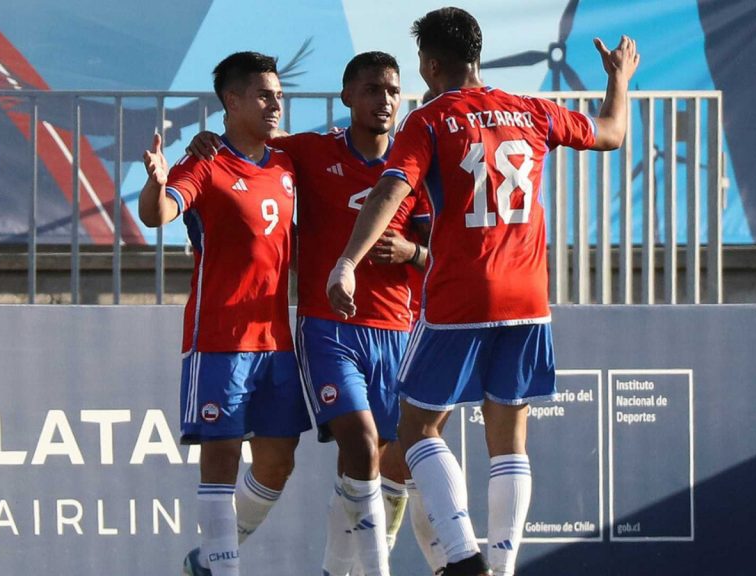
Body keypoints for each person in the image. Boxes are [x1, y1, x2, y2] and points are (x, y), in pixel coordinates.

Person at [326, 7, 639, 576]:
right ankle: (502, 564)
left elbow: (390, 193)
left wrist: (347, 260)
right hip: (529, 297)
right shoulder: (531, 110)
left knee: (416, 425)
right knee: (509, 436)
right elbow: (612, 133)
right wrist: (618, 79)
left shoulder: (430, 119)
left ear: (430, 62)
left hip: (461, 294)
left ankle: (464, 553)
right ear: (479, 54)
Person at [189, 51, 438, 576]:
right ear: (348, 97)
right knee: (363, 444)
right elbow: (247, 150)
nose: (384, 99)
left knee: (377, 464)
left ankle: (229, 553)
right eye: (371, 89)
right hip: (328, 327)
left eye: (392, 90)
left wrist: (412, 254)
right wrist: (205, 140)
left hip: (399, 330)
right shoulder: (309, 150)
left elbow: (443, 253)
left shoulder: (414, 167)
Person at [139, 51, 311, 576]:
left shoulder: (286, 162)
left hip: (276, 340)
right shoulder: (205, 161)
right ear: (231, 101)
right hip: (220, 338)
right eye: (264, 95)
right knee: (220, 462)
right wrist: (155, 180)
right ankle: (224, 567)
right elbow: (159, 212)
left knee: (279, 462)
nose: (275, 104)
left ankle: (213, 556)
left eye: (279, 95)